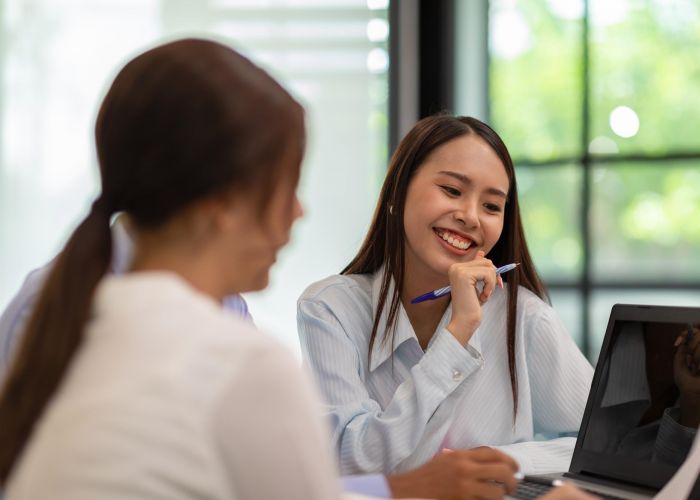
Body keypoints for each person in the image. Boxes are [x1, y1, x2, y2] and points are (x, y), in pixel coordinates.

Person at [0, 39, 593, 500]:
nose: (300, 210)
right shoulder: (247, 355)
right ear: (223, 200)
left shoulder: (125, 305)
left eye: (493, 204)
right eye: (286, 184)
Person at [298, 114, 595, 477]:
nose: (470, 217)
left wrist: (500, 462)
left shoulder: (524, 317)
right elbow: (352, 462)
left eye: (491, 206)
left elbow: (605, 444)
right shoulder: (330, 310)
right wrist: (459, 332)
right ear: (398, 191)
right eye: (452, 191)